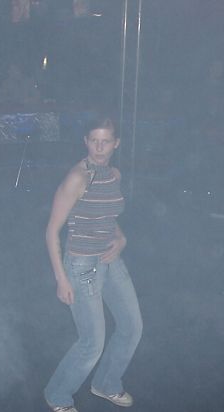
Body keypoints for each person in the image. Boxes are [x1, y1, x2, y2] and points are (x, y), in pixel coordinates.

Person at [44, 116, 142, 412]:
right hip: (81, 265)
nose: (99, 147)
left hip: (110, 260)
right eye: (94, 141)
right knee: (92, 343)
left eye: (106, 141)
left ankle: (106, 383)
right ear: (86, 142)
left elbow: (108, 217)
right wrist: (61, 278)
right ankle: (57, 395)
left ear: (116, 143)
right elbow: (52, 231)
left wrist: (121, 239)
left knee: (132, 327)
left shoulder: (114, 174)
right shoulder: (78, 177)